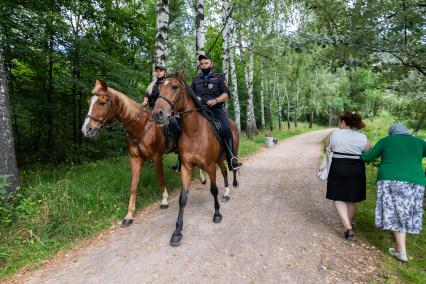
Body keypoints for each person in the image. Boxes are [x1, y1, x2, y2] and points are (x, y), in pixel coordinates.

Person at [362, 123, 426, 262]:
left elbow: (367, 158)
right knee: (404, 213)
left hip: (391, 179)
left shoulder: (386, 141)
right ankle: (399, 248)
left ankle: (402, 252)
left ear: (392, 133)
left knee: (396, 214)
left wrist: (362, 151)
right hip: (417, 181)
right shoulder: (420, 142)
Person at [191, 54, 242, 171]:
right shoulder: (195, 80)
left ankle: (231, 159)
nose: (203, 66)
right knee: (184, 128)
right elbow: (190, 95)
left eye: (206, 63)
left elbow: (226, 94)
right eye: (202, 64)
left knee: (226, 129)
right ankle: (182, 160)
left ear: (211, 64)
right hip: (199, 110)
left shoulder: (219, 78)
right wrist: (195, 98)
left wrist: (215, 100)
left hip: (216, 110)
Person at [325, 111, 371, 241]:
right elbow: (368, 151)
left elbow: (326, 147)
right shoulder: (362, 136)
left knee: (338, 196)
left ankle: (347, 226)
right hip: (356, 167)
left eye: (339, 121)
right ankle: (348, 226)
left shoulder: (334, 134)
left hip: (339, 165)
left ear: (343, 121)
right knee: (351, 198)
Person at [144, 65, 181, 171]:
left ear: (164, 72)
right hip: (152, 111)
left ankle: (179, 148)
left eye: (160, 71)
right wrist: (144, 102)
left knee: (174, 124)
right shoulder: (152, 85)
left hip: (166, 111)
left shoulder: (168, 83)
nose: (158, 73)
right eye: (157, 71)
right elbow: (146, 97)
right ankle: (147, 154)